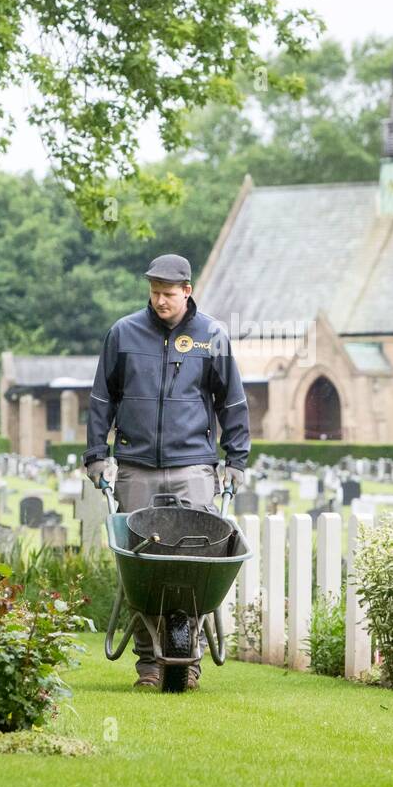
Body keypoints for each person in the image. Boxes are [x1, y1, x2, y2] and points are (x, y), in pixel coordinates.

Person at [84, 253, 250, 690]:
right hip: (136, 467)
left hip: (193, 466)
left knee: (193, 564)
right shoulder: (124, 334)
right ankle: (149, 665)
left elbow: (231, 401)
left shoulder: (211, 336)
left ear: (188, 292)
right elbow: (103, 398)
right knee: (141, 567)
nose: (160, 301)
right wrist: (96, 455)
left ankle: (187, 661)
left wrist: (236, 462)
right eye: (155, 293)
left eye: (169, 294)